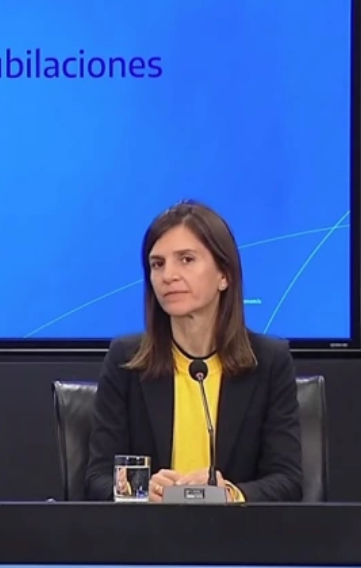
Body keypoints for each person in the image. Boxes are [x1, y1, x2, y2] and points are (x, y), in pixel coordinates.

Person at [85, 200, 302, 503]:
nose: (168, 275)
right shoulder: (126, 360)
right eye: (157, 264)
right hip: (150, 529)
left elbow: (288, 481)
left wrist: (228, 494)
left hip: (236, 530)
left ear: (224, 275)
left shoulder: (268, 362)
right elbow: (97, 479)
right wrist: (142, 491)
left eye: (186, 259)